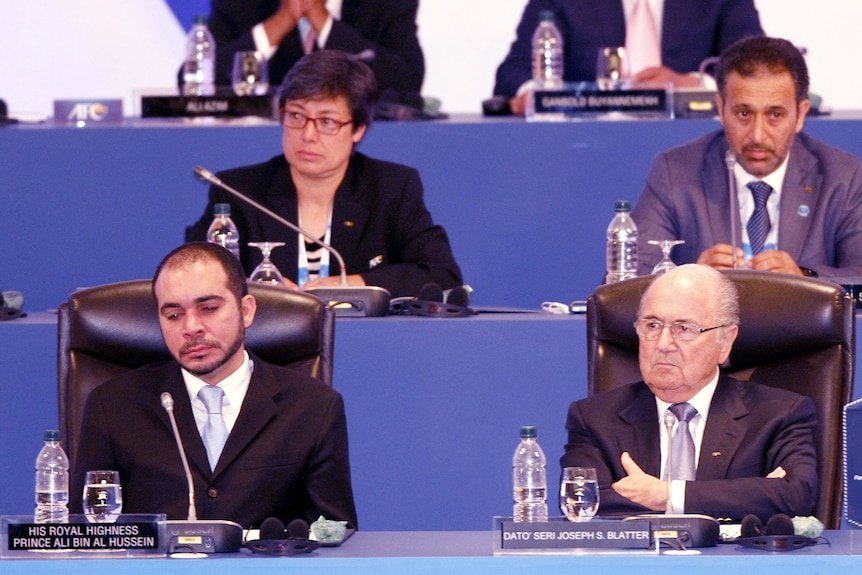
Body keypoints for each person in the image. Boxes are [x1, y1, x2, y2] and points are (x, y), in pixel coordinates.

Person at [71, 242, 358, 529]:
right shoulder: (114, 405)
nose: (191, 327)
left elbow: (334, 533)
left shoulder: (312, 406)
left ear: (246, 311)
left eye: (208, 308)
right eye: (173, 315)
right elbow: (86, 531)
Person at [186, 49, 462, 298]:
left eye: (327, 121)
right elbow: (192, 273)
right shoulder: (239, 191)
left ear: (358, 129)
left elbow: (441, 275)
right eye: (296, 116)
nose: (308, 135)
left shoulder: (392, 188)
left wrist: (351, 284)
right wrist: (257, 289)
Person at [561, 264, 818, 522]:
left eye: (683, 328)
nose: (663, 344)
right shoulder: (594, 419)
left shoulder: (779, 415)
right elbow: (584, 504)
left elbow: (796, 496)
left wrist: (667, 495)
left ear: (725, 341)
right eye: (652, 325)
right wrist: (750, 493)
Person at [633, 36, 862, 278]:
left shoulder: (844, 178)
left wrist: (806, 278)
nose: (757, 135)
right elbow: (627, 281)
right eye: (744, 113)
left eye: (775, 114)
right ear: (720, 109)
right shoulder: (674, 173)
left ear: (801, 114)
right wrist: (688, 281)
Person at [494, 0, 762, 115]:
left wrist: (694, 86)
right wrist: (537, 96)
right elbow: (512, 72)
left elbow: (756, 67)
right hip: (587, 147)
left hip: (693, 148)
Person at [205, 0, 424, 98]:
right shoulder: (240, 3)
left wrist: (325, 24)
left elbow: (407, 82)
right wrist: (283, 19)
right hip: (257, 150)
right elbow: (196, 81)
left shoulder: (388, 4)